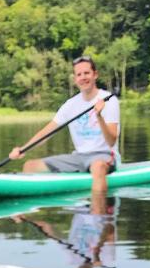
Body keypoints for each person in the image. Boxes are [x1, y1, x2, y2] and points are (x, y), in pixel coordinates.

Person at [8, 56, 120, 193]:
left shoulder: (109, 99)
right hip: (78, 157)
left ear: (95, 75)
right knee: (30, 166)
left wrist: (99, 116)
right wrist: (22, 150)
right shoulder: (70, 105)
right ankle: (23, 208)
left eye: (86, 73)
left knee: (98, 167)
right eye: (79, 74)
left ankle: (97, 214)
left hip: (104, 155)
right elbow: (46, 133)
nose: (83, 77)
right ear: (75, 79)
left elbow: (111, 140)